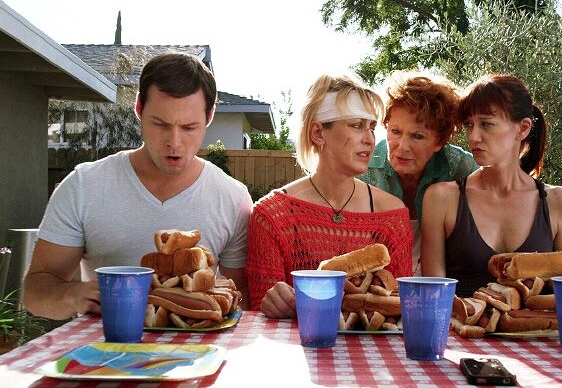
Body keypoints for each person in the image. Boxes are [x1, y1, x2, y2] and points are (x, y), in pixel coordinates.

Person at [24, 52, 253, 320]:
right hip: (106, 344)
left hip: (198, 345)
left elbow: (240, 300)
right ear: (139, 108)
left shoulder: (233, 198)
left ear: (209, 116)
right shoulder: (83, 187)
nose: (174, 142)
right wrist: (72, 295)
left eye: (189, 127)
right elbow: (35, 291)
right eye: (160, 124)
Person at [246, 74, 413, 319]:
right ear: (318, 133)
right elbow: (259, 314)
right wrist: (272, 304)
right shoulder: (272, 216)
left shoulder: (392, 217)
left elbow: (401, 309)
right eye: (357, 125)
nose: (369, 139)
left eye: (371, 127)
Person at [421, 74, 562, 297]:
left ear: (523, 129)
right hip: (457, 320)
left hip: (535, 321)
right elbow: (433, 297)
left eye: (486, 124)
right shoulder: (441, 198)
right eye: (469, 125)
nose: (473, 137)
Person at [359, 72, 477, 274]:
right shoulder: (364, 169)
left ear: (440, 141)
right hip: (379, 284)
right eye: (395, 132)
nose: (403, 146)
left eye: (418, 136)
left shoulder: (461, 168)